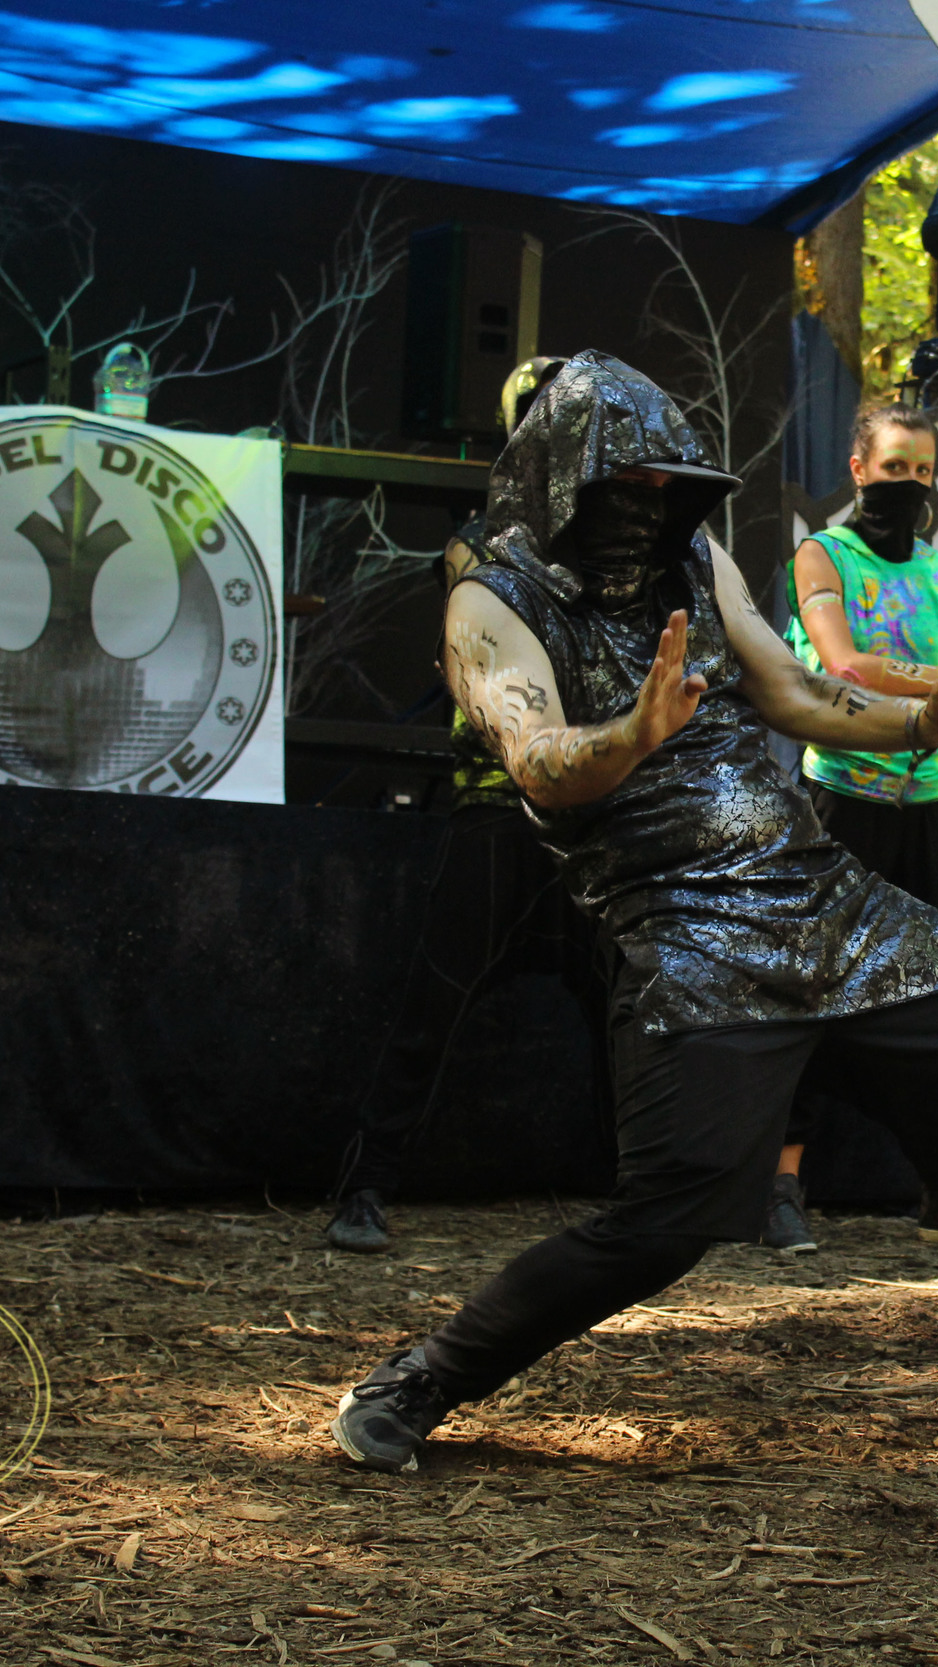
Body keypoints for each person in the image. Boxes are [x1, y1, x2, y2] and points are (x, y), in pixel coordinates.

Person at [328, 351, 938, 1473]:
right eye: (621, 484)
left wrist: (926, 717)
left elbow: (788, 687)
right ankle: (421, 1377)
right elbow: (536, 756)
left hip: (834, 902)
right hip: (691, 931)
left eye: (661, 486)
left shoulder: (697, 557)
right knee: (668, 1221)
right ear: (557, 478)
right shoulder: (492, 597)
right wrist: (630, 737)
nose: (647, 507)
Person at [324, 355, 577, 1257]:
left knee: (636, 1006)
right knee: (434, 1003)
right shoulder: (478, 546)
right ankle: (365, 1185)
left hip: (594, 812)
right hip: (500, 804)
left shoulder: (623, 544)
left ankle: (669, 1197)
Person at [764, 401, 938, 1254]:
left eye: (923, 471)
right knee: (815, 986)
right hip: (842, 793)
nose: (910, 485)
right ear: (859, 470)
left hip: (929, 803)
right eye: (895, 469)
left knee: (931, 991)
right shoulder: (826, 554)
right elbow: (843, 661)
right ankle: (783, 1185)